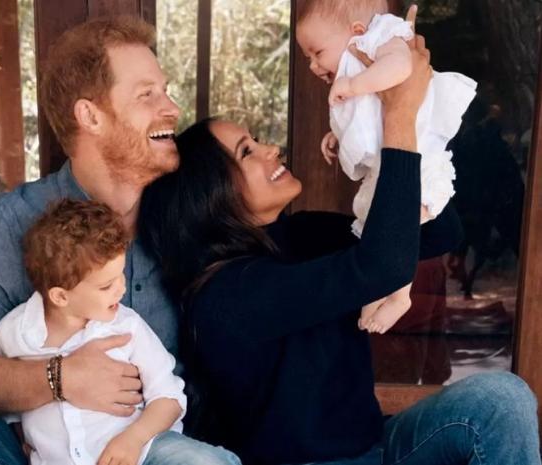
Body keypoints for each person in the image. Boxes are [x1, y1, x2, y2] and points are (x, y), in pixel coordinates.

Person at [138, 32, 541, 465]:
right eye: (247, 151)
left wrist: (380, 145)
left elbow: (436, 233)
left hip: (378, 445)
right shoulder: (226, 295)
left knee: (500, 398)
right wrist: (397, 117)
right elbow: (382, 266)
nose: (271, 150)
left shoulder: (301, 233)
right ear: (210, 195)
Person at [0, 16, 234, 465]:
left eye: (165, 91)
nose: (171, 108)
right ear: (90, 116)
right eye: (147, 95)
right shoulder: (9, 223)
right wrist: (58, 379)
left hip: (152, 447)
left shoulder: (180, 218)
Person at [0, 199, 239, 465]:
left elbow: (169, 397)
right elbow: (11, 408)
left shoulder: (126, 326)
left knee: (201, 461)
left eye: (121, 275)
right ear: (61, 297)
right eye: (106, 285)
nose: (121, 289)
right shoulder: (14, 334)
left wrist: (132, 441)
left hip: (143, 453)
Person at [295, 0, 477, 334]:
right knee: (376, 227)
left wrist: (352, 86)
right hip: (390, 162)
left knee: (399, 227)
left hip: (419, 161)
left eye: (317, 52)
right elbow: (367, 118)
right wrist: (337, 136)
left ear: (357, 32)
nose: (312, 65)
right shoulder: (359, 67)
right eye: (308, 57)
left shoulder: (383, 38)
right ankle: (380, 288)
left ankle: (399, 294)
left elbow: (400, 69)